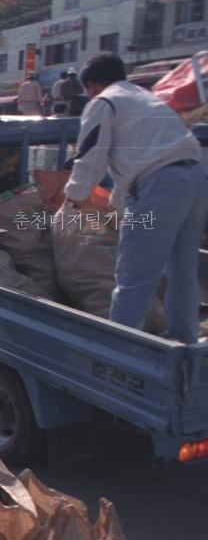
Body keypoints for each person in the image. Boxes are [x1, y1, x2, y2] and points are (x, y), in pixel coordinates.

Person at [63, 53, 207, 343]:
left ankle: (120, 349)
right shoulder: (146, 100)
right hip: (194, 180)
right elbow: (135, 166)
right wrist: (116, 206)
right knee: (182, 269)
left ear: (92, 86)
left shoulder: (104, 102)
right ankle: (184, 340)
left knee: (134, 274)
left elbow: (90, 157)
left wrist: (71, 198)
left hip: (160, 186)